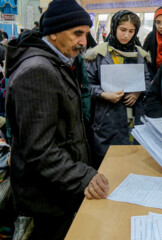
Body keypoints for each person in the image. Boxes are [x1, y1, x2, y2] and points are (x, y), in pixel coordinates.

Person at [5, 0, 109, 239]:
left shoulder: (57, 62)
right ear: (53, 33)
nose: (84, 42)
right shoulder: (38, 71)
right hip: (48, 197)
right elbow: (39, 150)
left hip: (60, 187)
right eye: (77, 34)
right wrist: (84, 176)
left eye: (86, 33)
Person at [84, 10, 151, 168]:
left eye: (131, 31)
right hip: (107, 119)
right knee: (108, 164)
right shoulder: (98, 54)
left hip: (134, 118)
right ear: (114, 28)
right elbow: (87, 85)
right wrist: (103, 94)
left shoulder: (139, 54)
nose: (126, 35)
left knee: (134, 163)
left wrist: (138, 91)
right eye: (123, 30)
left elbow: (148, 80)